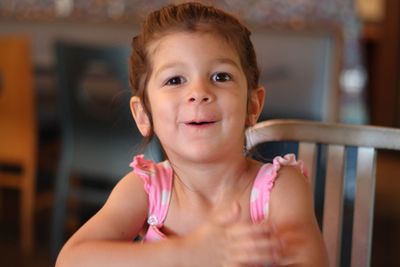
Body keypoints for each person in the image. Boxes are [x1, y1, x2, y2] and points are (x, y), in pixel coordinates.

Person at [56, 2, 328, 267]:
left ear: (252, 106)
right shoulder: (145, 191)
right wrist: (184, 255)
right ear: (143, 115)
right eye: (174, 80)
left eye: (221, 77)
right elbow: (70, 260)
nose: (199, 92)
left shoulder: (280, 189)